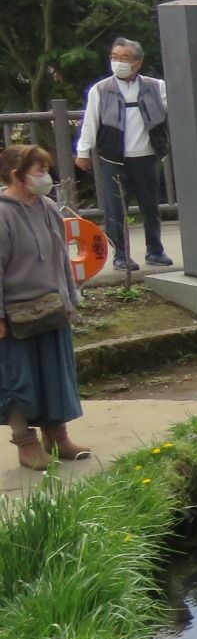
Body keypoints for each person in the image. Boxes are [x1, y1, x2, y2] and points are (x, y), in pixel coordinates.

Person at [0, 145, 87, 471]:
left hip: (51, 307)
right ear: (16, 175)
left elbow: (61, 258)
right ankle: (25, 443)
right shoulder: (2, 214)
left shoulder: (49, 207)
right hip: (16, 314)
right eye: (39, 171)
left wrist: (69, 300)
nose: (45, 178)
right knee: (18, 381)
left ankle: (57, 435)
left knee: (55, 375)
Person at [75, 37, 173, 272]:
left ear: (138, 63)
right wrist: (82, 152)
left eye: (124, 58)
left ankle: (155, 251)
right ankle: (120, 255)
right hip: (113, 157)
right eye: (114, 57)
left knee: (150, 207)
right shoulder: (101, 89)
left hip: (147, 156)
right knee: (114, 208)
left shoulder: (156, 86)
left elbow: (177, 110)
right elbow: (90, 122)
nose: (118, 62)